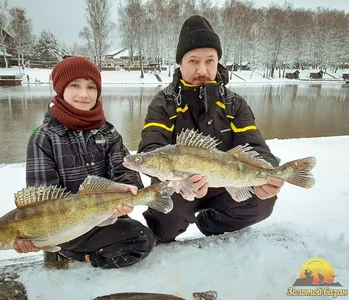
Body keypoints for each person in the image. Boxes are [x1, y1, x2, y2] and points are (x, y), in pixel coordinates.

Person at [137, 15, 284, 243]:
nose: (202, 70)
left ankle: (210, 223)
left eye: (210, 61)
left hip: (226, 181)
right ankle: (175, 221)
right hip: (178, 184)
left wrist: (270, 172)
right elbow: (151, 146)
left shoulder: (234, 104)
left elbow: (254, 145)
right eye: (193, 61)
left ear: (218, 63)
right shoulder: (163, 102)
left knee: (262, 202)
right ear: (181, 63)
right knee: (163, 228)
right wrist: (181, 180)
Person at [16, 56, 156, 268]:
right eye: (75, 85)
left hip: (104, 216)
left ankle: (86, 253)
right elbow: (42, 198)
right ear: (60, 89)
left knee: (143, 239)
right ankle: (72, 253)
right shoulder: (44, 137)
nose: (84, 94)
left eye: (91, 87)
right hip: (63, 228)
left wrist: (128, 189)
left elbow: (125, 170)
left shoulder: (108, 132)